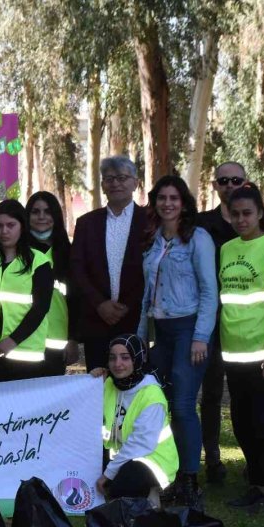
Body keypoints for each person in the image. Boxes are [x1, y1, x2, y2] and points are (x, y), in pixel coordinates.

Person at [137, 175, 216, 509]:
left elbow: (210, 291)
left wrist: (200, 337)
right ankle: (170, 474)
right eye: (162, 198)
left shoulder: (198, 238)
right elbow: (147, 295)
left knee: (184, 404)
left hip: (188, 330)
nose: (168, 204)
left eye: (174, 198)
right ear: (155, 202)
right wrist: (141, 338)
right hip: (161, 331)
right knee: (164, 404)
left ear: (184, 203)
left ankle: (189, 479)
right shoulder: (154, 240)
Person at [217, 182, 264, 509]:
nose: (241, 220)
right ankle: (257, 484)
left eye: (247, 213)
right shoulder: (226, 249)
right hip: (233, 354)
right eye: (235, 214)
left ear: (260, 213)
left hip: (262, 356)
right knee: (242, 424)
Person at [70, 155, 148, 371]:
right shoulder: (87, 223)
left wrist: (127, 305)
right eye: (109, 179)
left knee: (134, 382)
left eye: (122, 178)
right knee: (99, 383)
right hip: (97, 319)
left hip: (134, 318)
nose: (116, 183)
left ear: (135, 182)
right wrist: (100, 303)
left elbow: (151, 270)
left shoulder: (149, 220)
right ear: (103, 186)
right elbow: (77, 268)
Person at [196, 161, 245, 484]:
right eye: (223, 180)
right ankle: (212, 459)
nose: (229, 185)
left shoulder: (258, 225)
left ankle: (256, 460)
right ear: (214, 186)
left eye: (235, 180)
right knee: (211, 394)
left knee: (245, 395)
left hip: (246, 326)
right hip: (210, 323)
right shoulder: (202, 225)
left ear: (245, 182)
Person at [0, 199, 53, 382]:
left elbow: (40, 309)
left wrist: (13, 340)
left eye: (11, 225)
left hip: (24, 355)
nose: (4, 231)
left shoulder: (39, 262)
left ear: (22, 226)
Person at [91, 335, 178, 500]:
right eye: (112, 358)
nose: (117, 364)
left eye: (125, 358)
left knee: (121, 491)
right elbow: (83, 408)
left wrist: (107, 474)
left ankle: (152, 498)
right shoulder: (109, 384)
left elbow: (139, 444)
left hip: (151, 459)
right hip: (121, 456)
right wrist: (92, 381)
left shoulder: (152, 395)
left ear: (137, 359)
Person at [25, 191, 78, 375]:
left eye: (47, 212)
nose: (41, 217)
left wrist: (73, 339)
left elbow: (75, 300)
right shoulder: (18, 252)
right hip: (22, 342)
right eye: (35, 211)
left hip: (56, 343)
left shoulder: (68, 253)